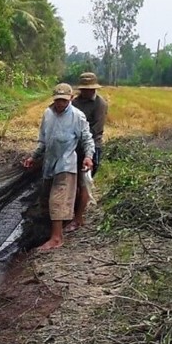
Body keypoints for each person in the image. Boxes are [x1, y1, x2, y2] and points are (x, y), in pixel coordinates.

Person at [22, 83, 95, 251]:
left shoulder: (78, 116)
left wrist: (88, 157)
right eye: (57, 100)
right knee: (46, 201)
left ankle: (57, 239)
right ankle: (52, 231)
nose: (60, 104)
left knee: (57, 200)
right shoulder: (48, 114)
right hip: (49, 164)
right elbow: (43, 141)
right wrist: (33, 158)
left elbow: (87, 139)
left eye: (63, 100)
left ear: (70, 98)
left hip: (67, 164)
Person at [68, 72, 108, 232]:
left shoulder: (100, 104)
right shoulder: (75, 102)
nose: (87, 92)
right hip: (74, 146)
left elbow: (95, 130)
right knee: (74, 182)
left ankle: (78, 219)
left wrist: (87, 151)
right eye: (84, 89)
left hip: (92, 147)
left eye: (90, 89)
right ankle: (71, 214)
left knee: (84, 182)